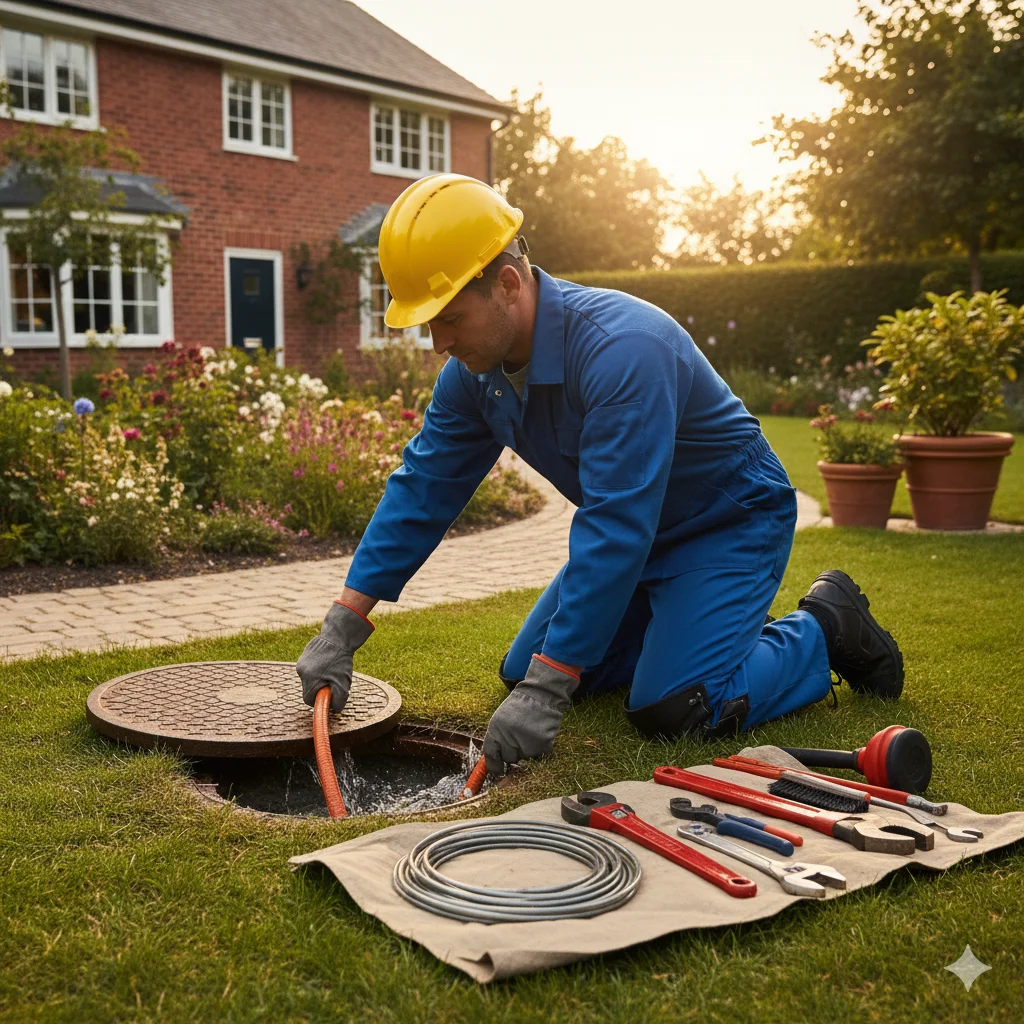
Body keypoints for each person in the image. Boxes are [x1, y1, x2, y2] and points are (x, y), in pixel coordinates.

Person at [296, 173, 904, 778]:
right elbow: (423, 488)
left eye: (449, 318)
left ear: (507, 284)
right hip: (640, 537)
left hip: (727, 522)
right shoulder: (473, 376)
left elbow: (615, 524)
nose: (437, 343)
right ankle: (697, 628)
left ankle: (824, 626)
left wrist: (550, 685)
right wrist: (344, 624)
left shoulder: (624, 350)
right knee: (521, 671)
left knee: (673, 706)